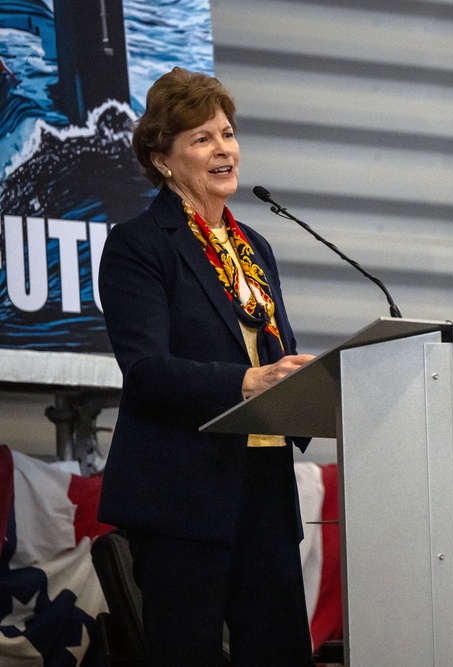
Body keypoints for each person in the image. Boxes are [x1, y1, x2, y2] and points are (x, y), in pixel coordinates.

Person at [98, 67, 315, 666]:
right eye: (201, 138)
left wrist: (306, 386)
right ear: (164, 160)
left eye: (227, 133)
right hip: (182, 492)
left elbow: (271, 350)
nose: (223, 149)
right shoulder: (140, 243)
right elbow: (145, 368)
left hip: (265, 484)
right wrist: (249, 381)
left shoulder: (255, 247)